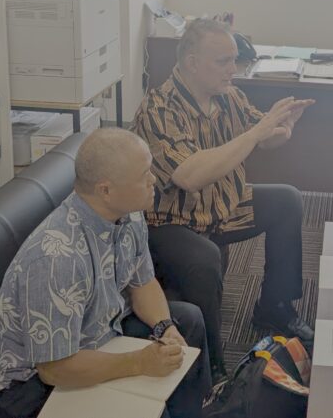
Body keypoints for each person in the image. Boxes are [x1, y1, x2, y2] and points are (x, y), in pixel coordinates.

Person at [132, 19, 316, 382]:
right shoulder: (159, 109)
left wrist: (283, 128)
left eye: (235, 60)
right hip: (171, 221)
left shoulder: (228, 96)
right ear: (191, 62)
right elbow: (190, 176)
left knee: (287, 201)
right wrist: (258, 132)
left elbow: (263, 137)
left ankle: (274, 305)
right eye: (223, 61)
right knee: (205, 257)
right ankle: (212, 364)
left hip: (221, 209)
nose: (233, 69)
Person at [0, 128, 211, 418]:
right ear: (106, 190)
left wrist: (165, 327)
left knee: (188, 323)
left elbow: (142, 282)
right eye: (144, 174)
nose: (154, 179)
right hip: (33, 383)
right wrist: (138, 363)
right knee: (146, 411)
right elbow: (55, 368)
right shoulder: (55, 258)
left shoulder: (129, 213)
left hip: (97, 333)